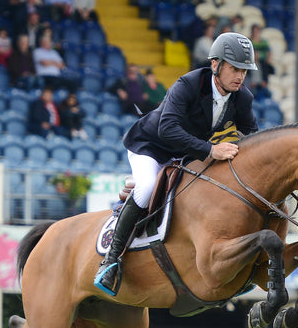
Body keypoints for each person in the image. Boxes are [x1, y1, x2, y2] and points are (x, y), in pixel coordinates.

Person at [94, 31, 258, 297]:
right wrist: (210, 149)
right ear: (215, 65)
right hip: (150, 147)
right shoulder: (188, 84)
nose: (240, 76)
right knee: (147, 188)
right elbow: (166, 129)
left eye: (245, 71)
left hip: (185, 155)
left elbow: (252, 136)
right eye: (235, 68)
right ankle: (111, 261)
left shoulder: (243, 98)